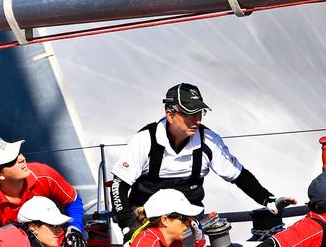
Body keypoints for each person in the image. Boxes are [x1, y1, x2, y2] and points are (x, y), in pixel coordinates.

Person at [110, 82, 290, 237]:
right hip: (148, 224)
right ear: (170, 114)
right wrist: (128, 228)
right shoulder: (145, 140)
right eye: (190, 113)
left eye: (200, 113)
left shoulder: (209, 141)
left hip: (187, 225)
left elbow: (239, 176)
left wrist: (267, 199)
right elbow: (119, 185)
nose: (197, 120)